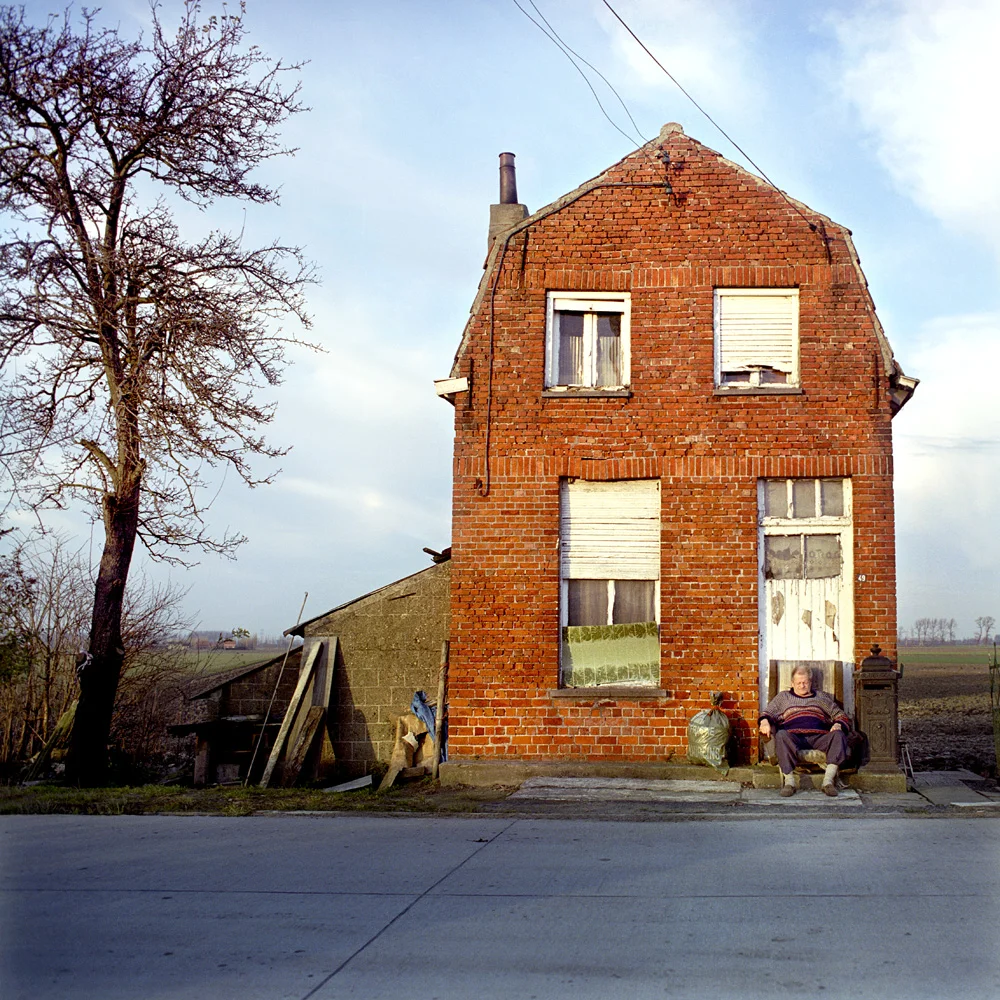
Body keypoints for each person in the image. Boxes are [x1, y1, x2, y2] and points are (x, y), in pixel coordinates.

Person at [759, 664, 851, 797]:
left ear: (810, 682)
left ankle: (828, 782)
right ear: (792, 683)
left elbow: (840, 715)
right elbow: (767, 713)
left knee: (838, 735)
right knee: (781, 735)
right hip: (794, 737)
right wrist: (764, 721)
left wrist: (838, 724)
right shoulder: (783, 697)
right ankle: (789, 783)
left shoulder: (820, 697)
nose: (802, 686)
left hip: (819, 737)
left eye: (805, 682)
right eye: (799, 683)